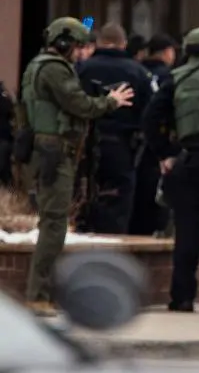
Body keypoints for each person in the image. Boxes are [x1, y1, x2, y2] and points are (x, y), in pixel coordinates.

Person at [19, 17, 134, 315]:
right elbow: (79, 104)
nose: (82, 54)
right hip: (55, 153)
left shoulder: (37, 65)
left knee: (52, 223)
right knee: (54, 225)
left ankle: (41, 292)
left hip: (47, 151)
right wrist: (110, 101)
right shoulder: (54, 69)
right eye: (79, 47)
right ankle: (38, 294)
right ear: (64, 44)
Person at [142, 26, 199, 312]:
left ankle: (181, 297)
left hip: (188, 159)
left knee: (186, 231)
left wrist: (166, 153)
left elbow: (150, 119)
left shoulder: (174, 79)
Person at [76, 22, 155, 234]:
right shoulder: (138, 72)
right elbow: (151, 111)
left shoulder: (82, 69)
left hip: (82, 144)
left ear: (98, 43)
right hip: (123, 145)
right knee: (119, 199)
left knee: (84, 196)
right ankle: (112, 248)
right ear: (124, 44)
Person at [130, 33, 178, 236]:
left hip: (133, 141)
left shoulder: (138, 72)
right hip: (159, 142)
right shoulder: (170, 77)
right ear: (167, 52)